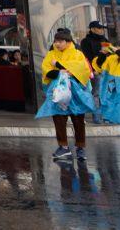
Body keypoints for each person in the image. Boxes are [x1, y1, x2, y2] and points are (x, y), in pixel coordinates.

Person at [37, 28, 96, 161]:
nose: (57, 44)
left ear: (68, 41)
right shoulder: (51, 54)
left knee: (78, 119)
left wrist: (58, 66)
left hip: (75, 93)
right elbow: (47, 70)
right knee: (58, 118)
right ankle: (63, 147)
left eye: (60, 41)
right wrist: (62, 72)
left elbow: (81, 70)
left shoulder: (77, 54)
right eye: (56, 41)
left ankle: (80, 147)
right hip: (58, 92)